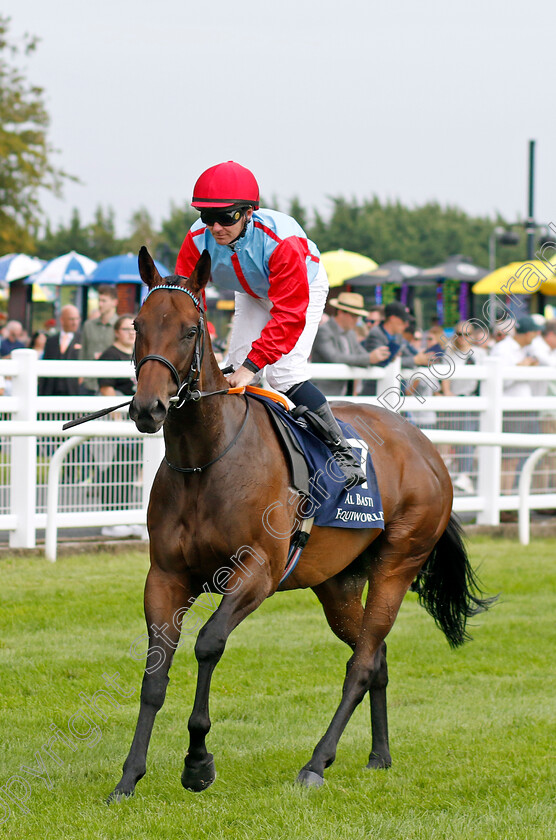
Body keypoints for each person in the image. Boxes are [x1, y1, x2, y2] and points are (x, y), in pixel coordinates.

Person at [175, 160, 366, 486]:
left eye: (227, 217)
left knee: (282, 373)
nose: (216, 227)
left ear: (249, 212)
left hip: (299, 290)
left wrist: (253, 365)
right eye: (208, 217)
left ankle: (341, 451)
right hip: (250, 290)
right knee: (232, 369)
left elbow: (288, 315)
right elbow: (186, 298)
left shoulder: (282, 242)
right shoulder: (196, 239)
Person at [97, 315, 142, 539]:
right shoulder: (109, 354)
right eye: (125, 329)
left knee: (133, 469)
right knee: (116, 469)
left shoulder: (140, 352)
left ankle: (127, 516)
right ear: (116, 332)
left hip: (138, 419)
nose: (130, 333)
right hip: (118, 420)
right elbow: (106, 388)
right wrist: (118, 419)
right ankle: (110, 517)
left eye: (132, 329)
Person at [489, 314, 540, 504]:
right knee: (509, 458)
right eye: (534, 332)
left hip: (523, 408)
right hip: (511, 409)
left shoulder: (522, 349)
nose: (535, 337)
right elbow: (498, 381)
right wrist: (521, 366)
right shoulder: (503, 349)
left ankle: (509, 498)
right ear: (527, 334)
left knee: (517, 458)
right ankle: (505, 499)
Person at [311, 292, 389, 396]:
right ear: (340, 312)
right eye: (354, 315)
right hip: (323, 393)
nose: (357, 320)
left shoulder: (350, 334)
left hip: (342, 394)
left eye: (358, 316)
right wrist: (370, 358)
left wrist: (378, 357)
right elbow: (334, 357)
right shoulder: (323, 331)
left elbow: (361, 354)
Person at [359, 301, 411, 396]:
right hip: (374, 393)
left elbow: (411, 355)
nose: (406, 325)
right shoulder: (375, 333)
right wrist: (416, 360)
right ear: (393, 319)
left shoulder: (398, 336)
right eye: (404, 321)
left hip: (391, 392)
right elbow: (384, 362)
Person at [79, 285, 119, 394]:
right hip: (89, 382)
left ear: (114, 302)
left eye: (104, 301)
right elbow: (83, 353)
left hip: (112, 383)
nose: (100, 304)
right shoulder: (88, 325)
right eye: (99, 300)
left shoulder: (121, 326)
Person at [39, 305, 83, 396]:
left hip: (74, 392)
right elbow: (45, 365)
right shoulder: (51, 340)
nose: (75, 323)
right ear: (62, 320)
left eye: (77, 319)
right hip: (52, 391)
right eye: (71, 319)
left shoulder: (83, 340)